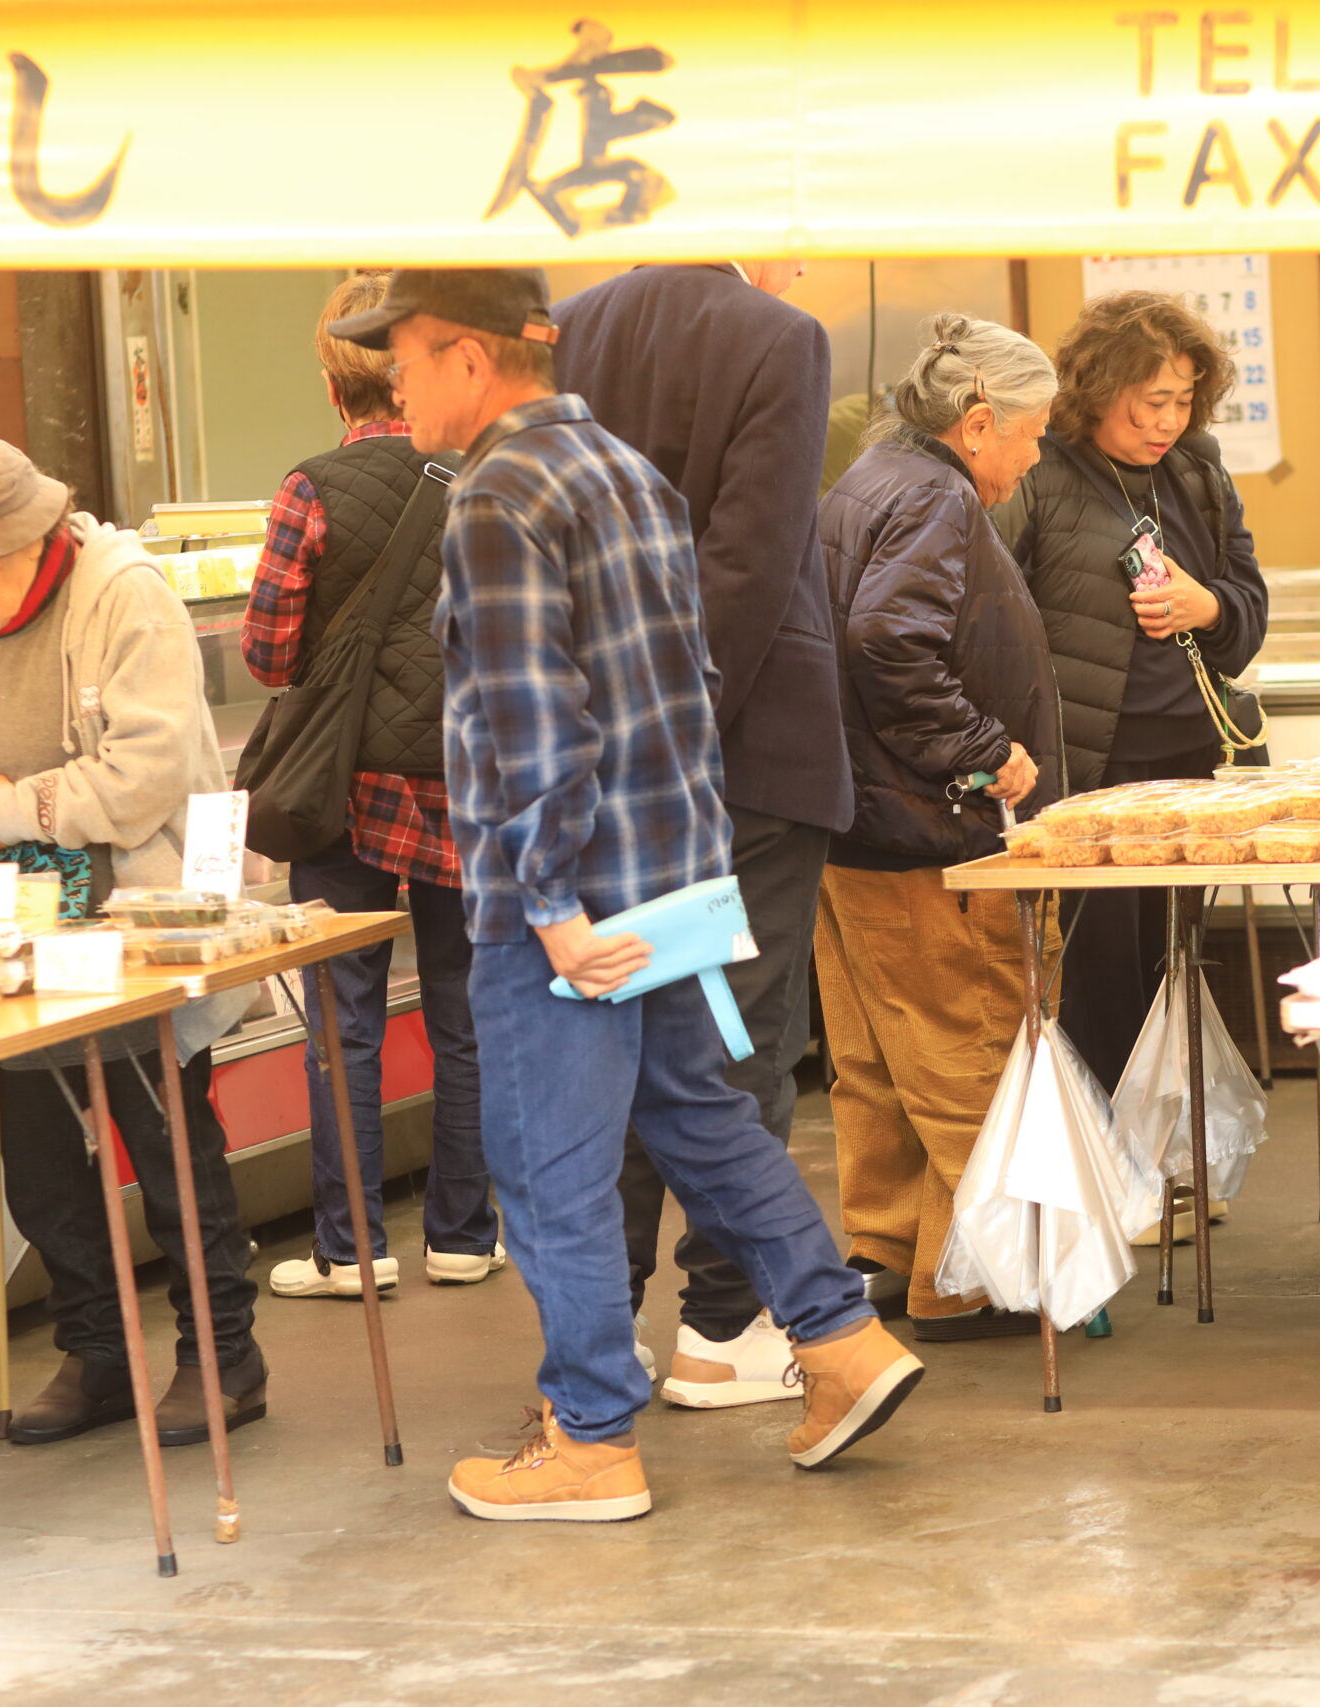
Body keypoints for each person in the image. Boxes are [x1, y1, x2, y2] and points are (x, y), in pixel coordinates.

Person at [331, 267, 924, 1520]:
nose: (395, 380)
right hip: (667, 876)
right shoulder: (623, 470)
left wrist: (547, 902)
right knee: (703, 1118)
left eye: (406, 358)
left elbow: (529, 720)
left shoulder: (497, 496)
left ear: (469, 359)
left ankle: (591, 1436)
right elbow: (685, 684)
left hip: (568, 909)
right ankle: (841, 1339)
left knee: (551, 1165)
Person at [0, 427, 264, 1449]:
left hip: (132, 920)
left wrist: (9, 809)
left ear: (25, 535)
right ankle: (95, 1351)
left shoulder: (122, 593)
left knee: (166, 1139)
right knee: (41, 1155)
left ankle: (223, 1355)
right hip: (8, 927)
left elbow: (148, 772)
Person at [551, 260, 854, 1407]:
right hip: (746, 756)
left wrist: (611, 733)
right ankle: (724, 1329)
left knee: (614, 1041)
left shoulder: (565, 328)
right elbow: (752, 556)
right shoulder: (779, 333)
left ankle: (603, 1327)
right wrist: (683, 727)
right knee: (740, 1036)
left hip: (594, 753)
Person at [243, 271, 502, 1300]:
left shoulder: (310, 488)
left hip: (344, 794)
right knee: (464, 1014)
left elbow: (267, 652)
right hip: (463, 784)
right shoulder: (483, 478)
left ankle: (351, 1250)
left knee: (341, 1017)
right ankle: (463, 1233)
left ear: (331, 377)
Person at [816, 313, 1066, 1341]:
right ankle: (979, 1277)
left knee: (878, 1065)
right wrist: (980, 749)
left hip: (854, 828)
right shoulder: (933, 499)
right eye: (1033, 431)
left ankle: (886, 1256)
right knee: (969, 1049)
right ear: (977, 423)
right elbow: (890, 640)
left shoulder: (870, 477)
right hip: (930, 833)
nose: (1037, 451)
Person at [994, 290, 1271, 1108]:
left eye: (1185, 401)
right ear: (1097, 387)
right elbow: (994, 613)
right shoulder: (1040, 469)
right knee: (1101, 972)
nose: (1169, 423)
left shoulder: (1199, 468)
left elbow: (1247, 605)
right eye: (1153, 402)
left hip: (1192, 759)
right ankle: (1111, 1163)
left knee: (1176, 961)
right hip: (1087, 765)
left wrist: (1207, 605)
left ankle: (1175, 1152)